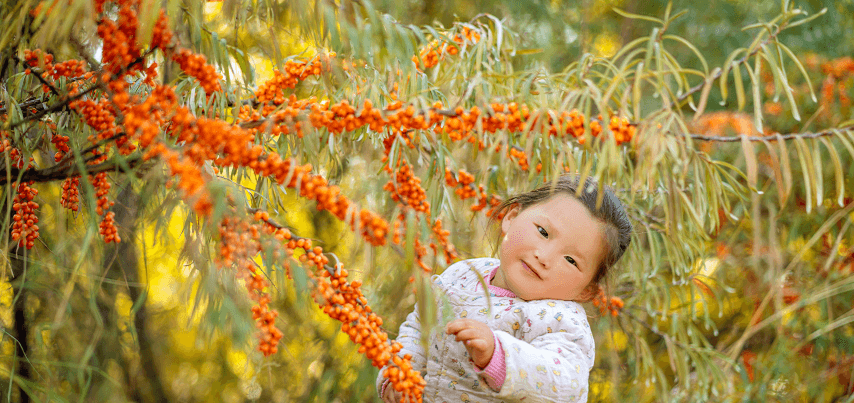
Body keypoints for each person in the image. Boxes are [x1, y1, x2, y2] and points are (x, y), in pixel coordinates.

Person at [377, 175, 633, 403]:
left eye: (571, 260)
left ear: (586, 290)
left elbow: (566, 384)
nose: (544, 256)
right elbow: (419, 325)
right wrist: (399, 372)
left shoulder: (561, 321)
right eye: (543, 232)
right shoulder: (463, 273)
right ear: (511, 217)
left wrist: (498, 356)